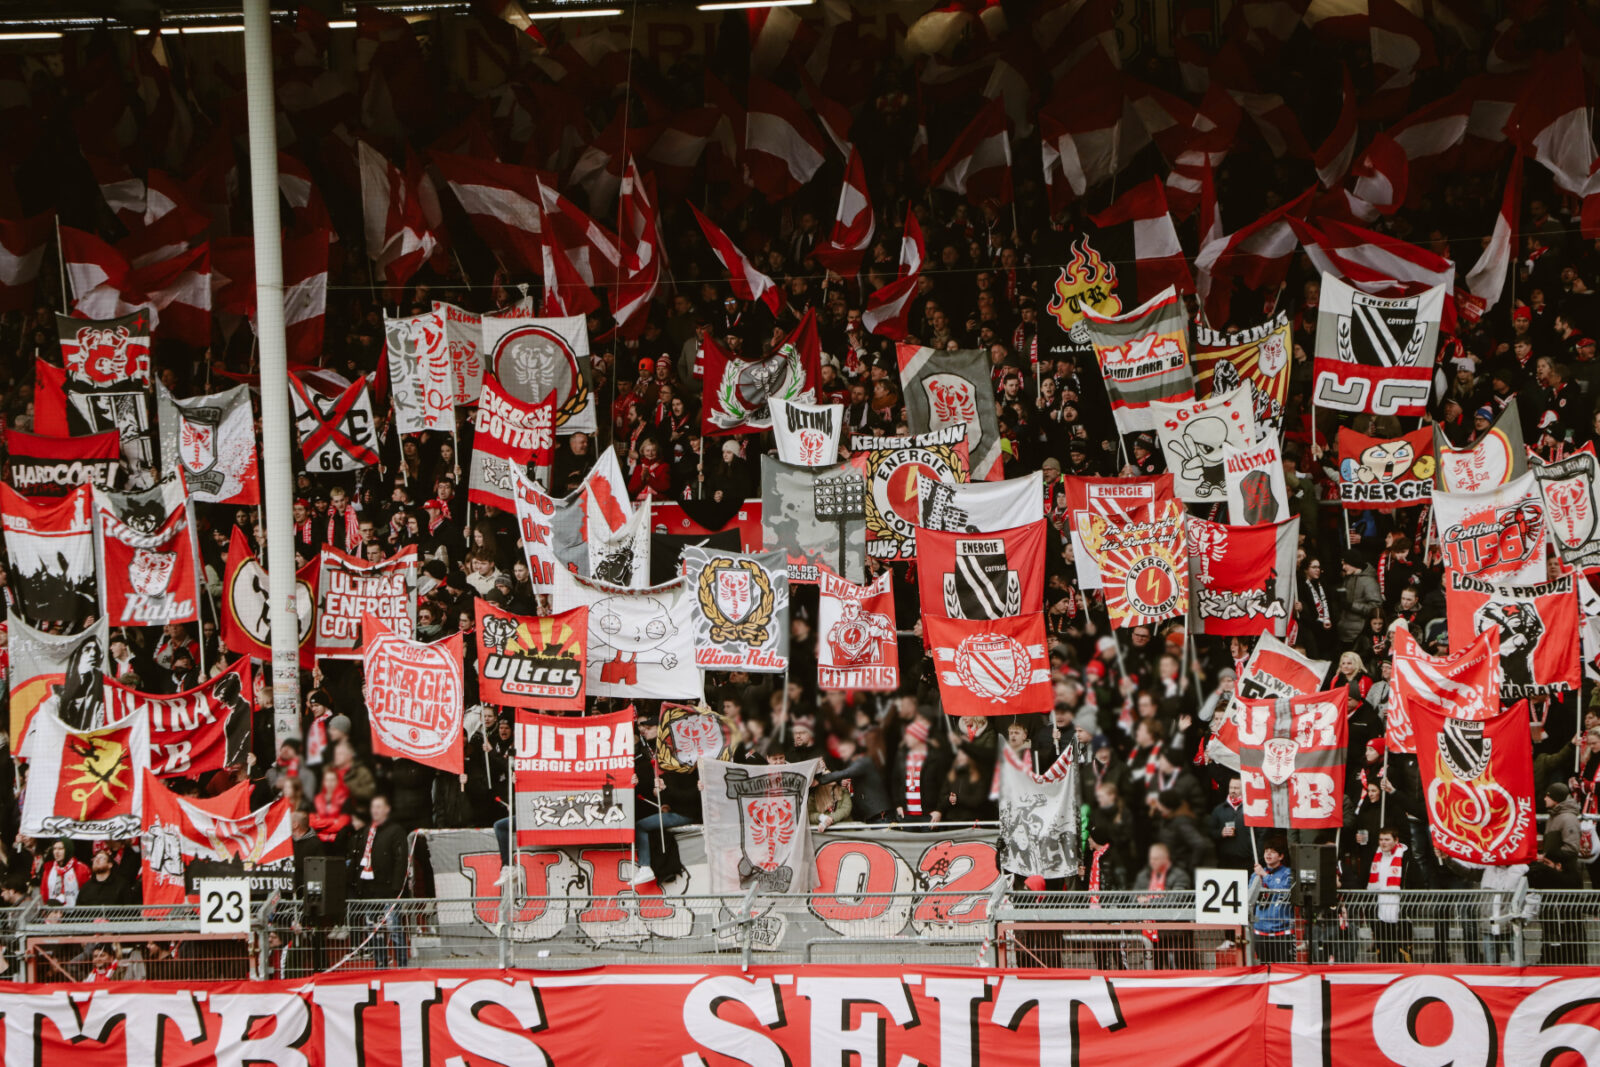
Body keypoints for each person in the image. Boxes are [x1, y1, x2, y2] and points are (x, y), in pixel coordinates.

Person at [1529, 782, 1584, 963]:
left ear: (1555, 798)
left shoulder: (1567, 818)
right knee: (1550, 915)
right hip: (1555, 870)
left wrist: (1551, 857)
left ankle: (1574, 957)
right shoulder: (1555, 817)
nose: (1544, 798)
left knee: (1570, 917)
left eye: (1548, 795)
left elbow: (1571, 849)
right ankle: (1551, 956)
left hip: (1566, 874)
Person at [1367, 827, 1416, 962]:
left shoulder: (1406, 859)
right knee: (1384, 955)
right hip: (1381, 914)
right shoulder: (1375, 857)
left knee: (1404, 956)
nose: (1383, 843)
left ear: (1396, 840)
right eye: (1381, 839)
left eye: (1387, 839)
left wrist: (1409, 908)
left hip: (1401, 914)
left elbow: (1417, 884)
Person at [1252, 837, 1295, 962]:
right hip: (1260, 929)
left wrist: (1265, 876)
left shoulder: (1288, 873)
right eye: (1266, 851)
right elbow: (1249, 897)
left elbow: (1282, 890)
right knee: (1264, 968)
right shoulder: (1256, 873)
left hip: (1282, 930)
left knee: (1283, 970)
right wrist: (1257, 882)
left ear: (1281, 856)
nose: (1268, 854)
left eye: (1272, 851)